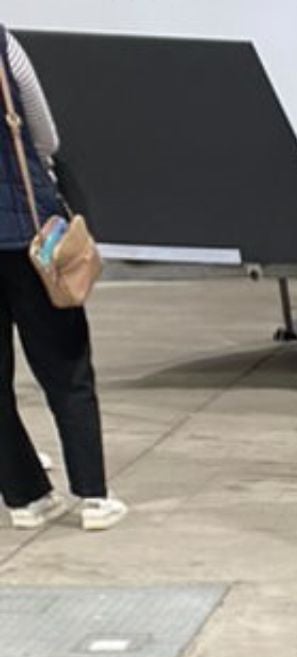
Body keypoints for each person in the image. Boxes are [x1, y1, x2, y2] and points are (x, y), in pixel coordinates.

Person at [0, 31, 125, 532]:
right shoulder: (3, 43)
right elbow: (44, 135)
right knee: (66, 368)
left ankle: (26, 498)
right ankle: (93, 496)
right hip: (29, 242)